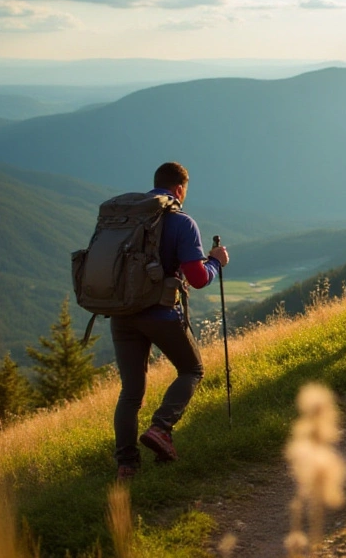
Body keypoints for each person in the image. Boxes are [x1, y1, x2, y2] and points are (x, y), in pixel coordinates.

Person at [113, 162, 229, 482]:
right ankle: (161, 428)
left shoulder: (127, 219)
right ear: (179, 190)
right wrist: (216, 263)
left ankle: (126, 465)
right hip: (160, 314)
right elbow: (198, 277)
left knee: (131, 392)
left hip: (122, 315)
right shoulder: (182, 223)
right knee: (193, 369)